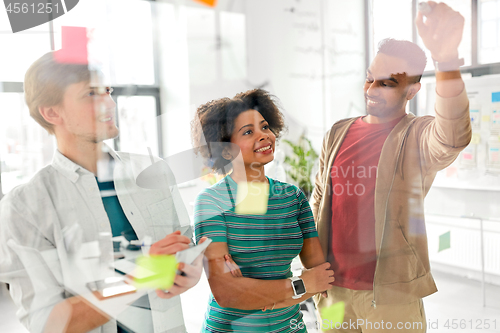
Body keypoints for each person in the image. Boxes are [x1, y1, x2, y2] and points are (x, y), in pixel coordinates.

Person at [0, 52, 205, 333]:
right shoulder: (24, 206)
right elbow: (47, 322)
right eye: (90, 94)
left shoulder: (153, 171)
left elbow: (182, 248)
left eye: (107, 91)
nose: (109, 102)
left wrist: (186, 272)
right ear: (52, 112)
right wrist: (143, 274)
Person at [311, 2, 472, 332]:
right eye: (369, 79)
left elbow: (452, 135)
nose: (370, 90)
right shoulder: (337, 132)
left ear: (412, 90)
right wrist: (314, 270)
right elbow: (319, 202)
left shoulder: (416, 136)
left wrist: (447, 60)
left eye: (385, 83)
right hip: (333, 295)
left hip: (389, 297)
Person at [191, 89, 335, 332]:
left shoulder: (293, 198)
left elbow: (321, 279)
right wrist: (299, 285)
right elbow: (227, 295)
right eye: (248, 132)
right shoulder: (211, 203)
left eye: (265, 127)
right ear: (226, 150)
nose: (264, 136)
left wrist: (255, 294)